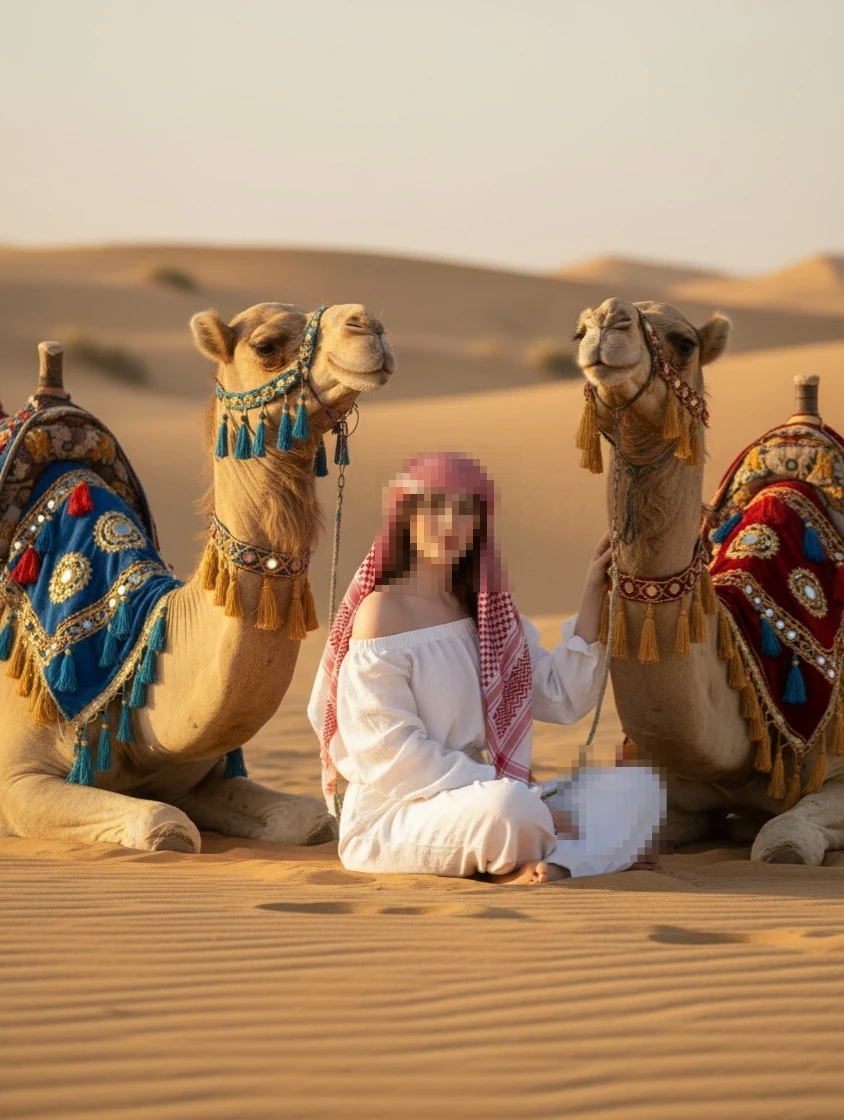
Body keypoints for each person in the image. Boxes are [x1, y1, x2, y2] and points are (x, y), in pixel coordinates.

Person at [308, 452, 663, 884]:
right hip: (399, 811)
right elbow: (389, 753)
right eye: (433, 507)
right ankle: (575, 852)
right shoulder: (383, 612)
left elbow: (562, 696)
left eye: (465, 510)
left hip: (493, 791)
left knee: (637, 789)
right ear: (405, 518)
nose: (450, 523)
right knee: (510, 811)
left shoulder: (487, 613)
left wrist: (592, 593)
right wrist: (504, 790)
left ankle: (552, 866)